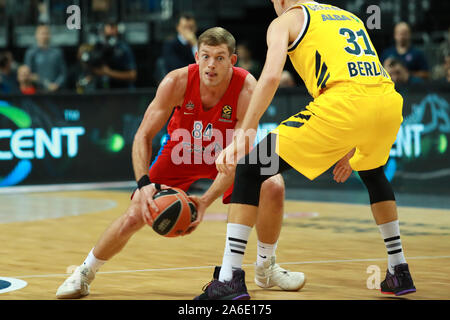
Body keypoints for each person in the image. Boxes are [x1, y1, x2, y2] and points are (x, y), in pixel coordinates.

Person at [55, 27, 305, 299]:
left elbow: (242, 149)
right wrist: (144, 184)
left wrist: (205, 200)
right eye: (206, 56)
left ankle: (266, 267)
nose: (211, 64)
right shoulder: (176, 81)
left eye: (220, 58)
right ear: (197, 56)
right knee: (136, 213)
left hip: (226, 153)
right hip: (181, 151)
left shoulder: (247, 87)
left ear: (232, 61)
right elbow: (143, 135)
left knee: (272, 184)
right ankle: (84, 272)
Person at [195, 0, 417, 300]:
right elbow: (364, 77)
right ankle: (399, 269)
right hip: (387, 102)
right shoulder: (347, 16)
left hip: (343, 103)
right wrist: (350, 143)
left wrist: (242, 136)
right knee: (374, 173)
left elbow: (271, 77)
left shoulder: (285, 21)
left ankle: (230, 277)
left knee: (250, 167)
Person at [92, 19, 137, 89]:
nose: (111, 30)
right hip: (103, 90)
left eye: (113, 27)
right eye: (108, 27)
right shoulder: (98, 47)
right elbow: (94, 68)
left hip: (123, 91)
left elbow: (132, 75)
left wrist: (109, 73)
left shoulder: (123, 48)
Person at [24, 24, 67, 92]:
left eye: (46, 33)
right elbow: (28, 74)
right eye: (42, 33)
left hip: (56, 91)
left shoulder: (57, 52)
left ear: (50, 35)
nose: (44, 36)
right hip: (37, 91)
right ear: (36, 35)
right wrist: (44, 83)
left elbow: (63, 73)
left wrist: (56, 85)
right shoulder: (30, 53)